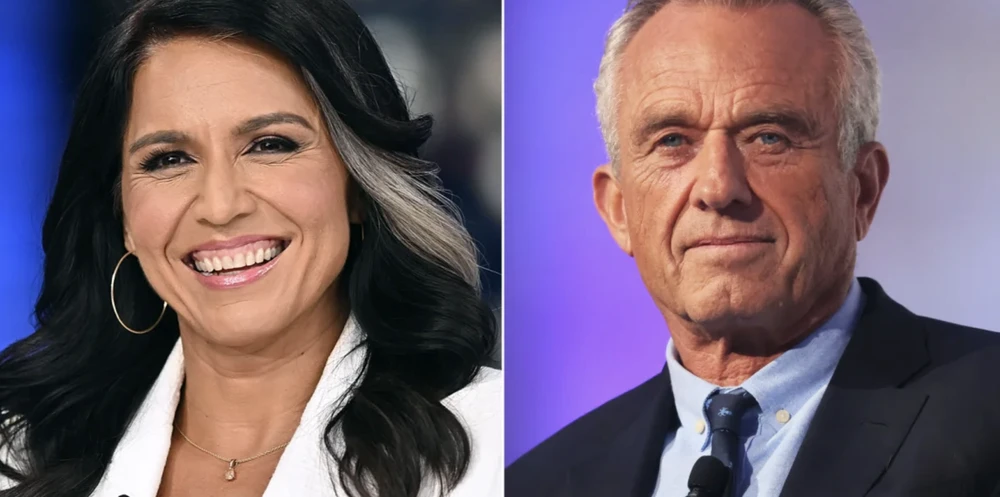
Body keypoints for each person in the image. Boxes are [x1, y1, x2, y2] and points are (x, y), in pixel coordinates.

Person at [0, 0, 501, 496]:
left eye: (270, 145)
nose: (220, 206)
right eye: (169, 159)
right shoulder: (20, 458)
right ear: (122, 216)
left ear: (358, 186)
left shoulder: (499, 450)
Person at [506, 1, 1000, 496]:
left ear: (862, 189)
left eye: (769, 137)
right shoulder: (535, 483)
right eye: (673, 140)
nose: (719, 187)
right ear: (617, 209)